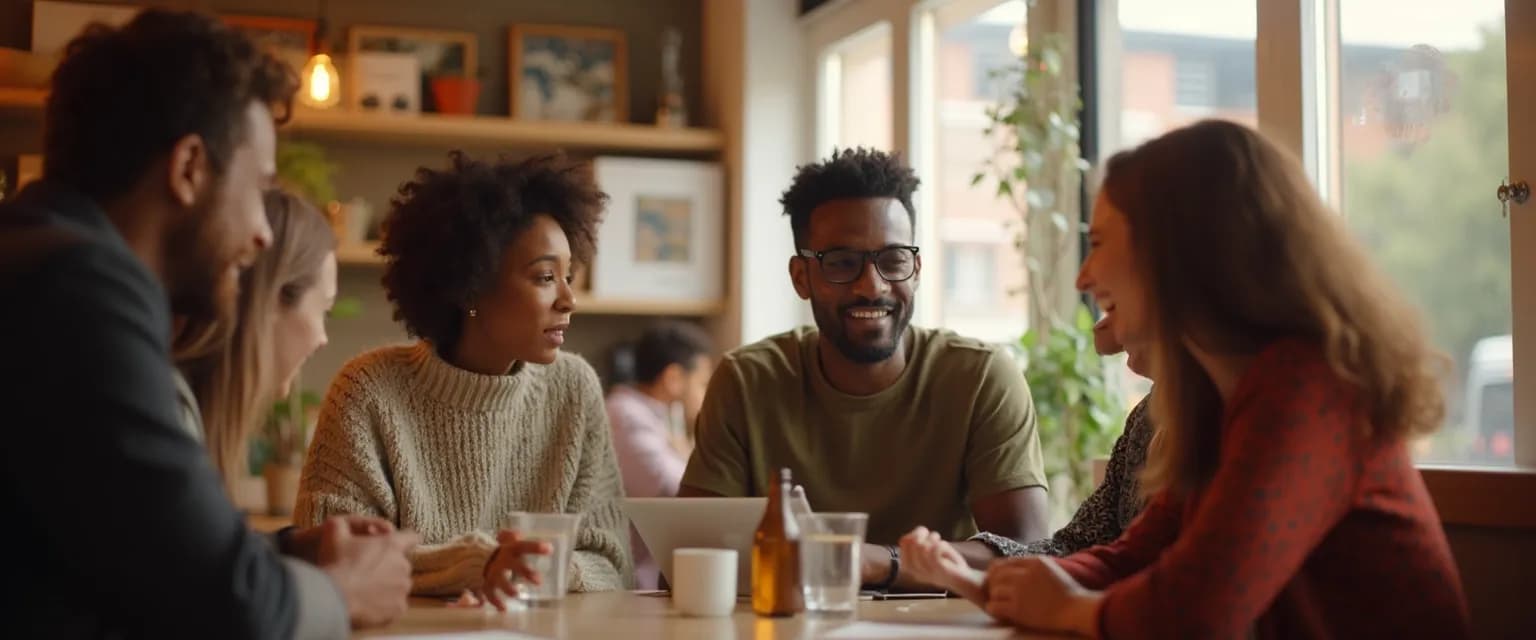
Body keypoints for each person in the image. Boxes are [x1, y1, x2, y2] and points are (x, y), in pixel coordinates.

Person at [959, 121, 1470, 638]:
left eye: (1099, 243)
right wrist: (1012, 585)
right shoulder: (1218, 396)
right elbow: (1133, 558)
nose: (1083, 276)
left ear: (1177, 251)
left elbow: (1199, 610)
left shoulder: (1307, 386)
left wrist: (1065, 609)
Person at [0, 10, 413, 637]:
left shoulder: (33, 254)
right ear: (190, 167)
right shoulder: (79, 287)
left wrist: (285, 554)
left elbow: (111, 554)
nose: (262, 231)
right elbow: (234, 611)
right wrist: (341, 591)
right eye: (258, 187)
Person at [680, 147, 1050, 591]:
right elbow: (692, 557)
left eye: (893, 260)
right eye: (841, 263)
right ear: (802, 278)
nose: (871, 286)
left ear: (915, 270)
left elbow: (1024, 549)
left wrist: (878, 563)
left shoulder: (979, 378)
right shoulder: (747, 380)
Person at [295, 151, 631, 610]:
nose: (569, 299)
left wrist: (531, 568)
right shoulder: (368, 392)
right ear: (470, 287)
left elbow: (611, 563)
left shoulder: (575, 390)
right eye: (546, 277)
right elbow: (333, 562)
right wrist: (481, 563)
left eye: (569, 276)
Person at [902, 310, 1156, 599]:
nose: (1102, 324)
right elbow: (1079, 548)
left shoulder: (1214, 423)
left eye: (1116, 302)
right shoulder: (1148, 416)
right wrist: (962, 573)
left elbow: (1162, 583)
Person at [175, 188, 339, 485]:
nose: (322, 339)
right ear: (273, 299)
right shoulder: (172, 422)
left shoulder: (187, 416)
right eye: (323, 310)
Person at [605, 321, 715, 588]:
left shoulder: (658, 417)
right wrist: (690, 454)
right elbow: (677, 492)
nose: (707, 395)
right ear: (673, 379)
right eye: (701, 384)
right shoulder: (625, 416)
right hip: (631, 581)